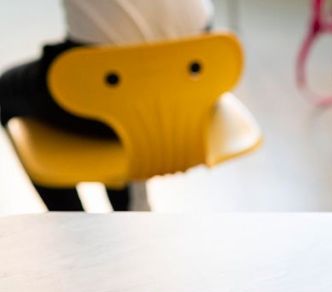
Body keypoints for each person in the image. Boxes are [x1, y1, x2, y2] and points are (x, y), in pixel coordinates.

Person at [0, 0, 213, 211]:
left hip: (109, 96)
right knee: (114, 68)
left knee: (7, 91)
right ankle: (130, 202)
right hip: (196, 85)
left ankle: (73, 224)